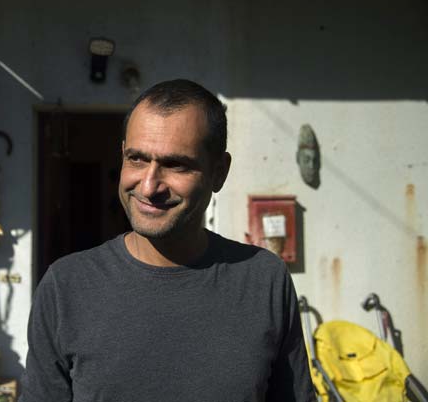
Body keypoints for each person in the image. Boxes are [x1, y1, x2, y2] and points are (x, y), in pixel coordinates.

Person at [20, 79, 315, 402]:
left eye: (175, 164)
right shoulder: (66, 287)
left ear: (219, 172)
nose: (148, 186)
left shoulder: (263, 281)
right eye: (137, 159)